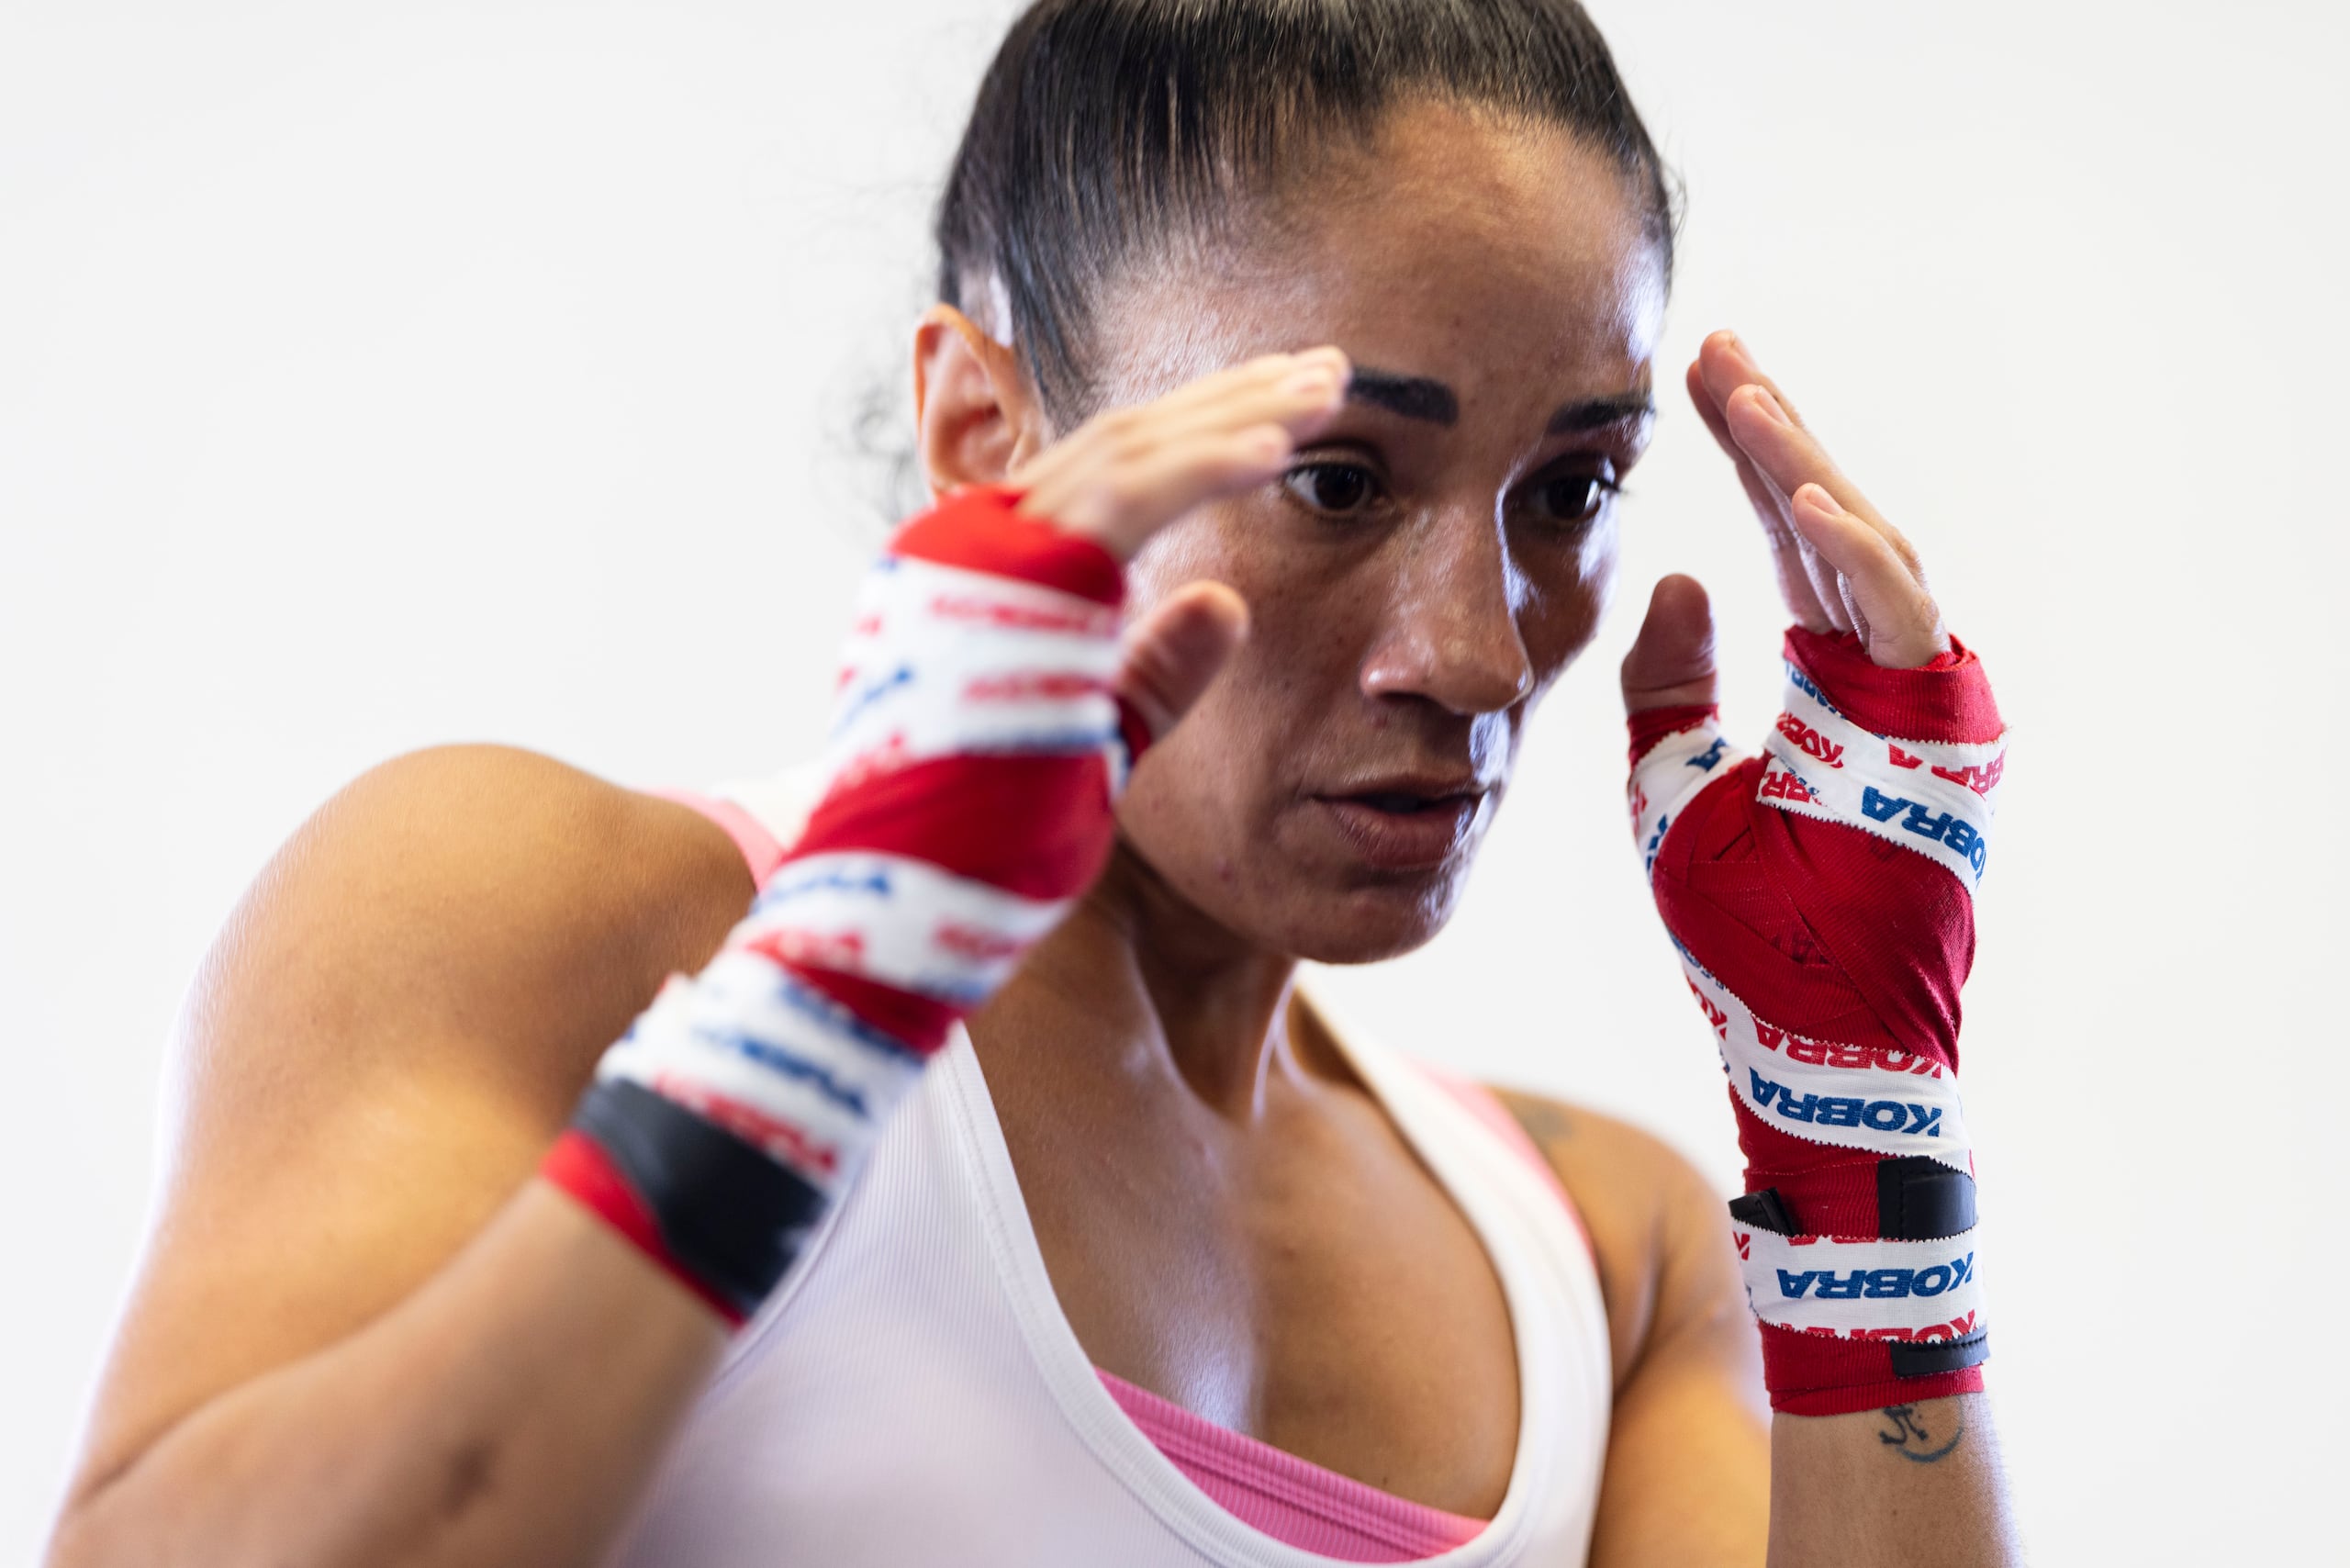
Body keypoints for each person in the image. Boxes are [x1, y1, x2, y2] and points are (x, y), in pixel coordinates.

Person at [44, 2, 2021, 1564]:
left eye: (1566, 489)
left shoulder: (1602, 1245)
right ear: (985, 436)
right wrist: (814, 1013)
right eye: (1337, 481)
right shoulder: (537, 918)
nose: (1482, 649)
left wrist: (1859, 1152)